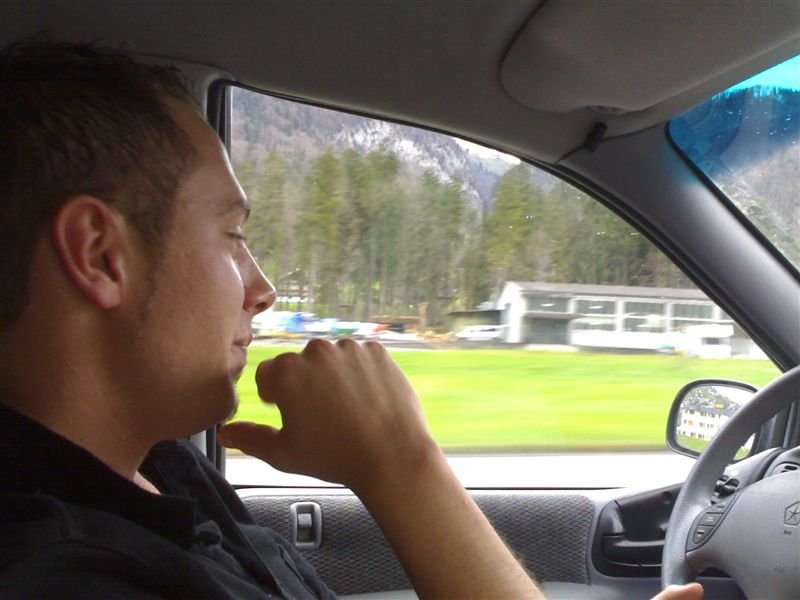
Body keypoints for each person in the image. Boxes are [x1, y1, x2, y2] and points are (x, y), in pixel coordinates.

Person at [0, 38, 703, 600]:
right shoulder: (60, 574)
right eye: (232, 236)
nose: (263, 290)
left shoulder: (157, 464)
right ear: (101, 255)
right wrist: (400, 460)